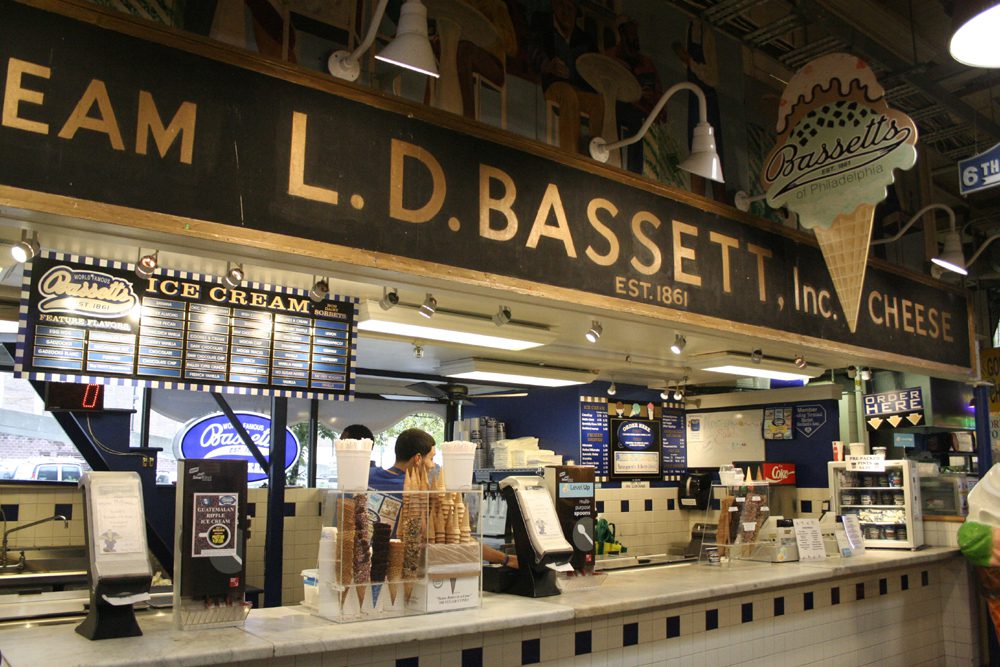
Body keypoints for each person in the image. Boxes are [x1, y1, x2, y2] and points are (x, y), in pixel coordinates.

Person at [368, 428, 516, 567]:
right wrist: (505, 559)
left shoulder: (369, 477)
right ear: (418, 458)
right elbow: (459, 540)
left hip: (368, 563)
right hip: (404, 567)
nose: (433, 466)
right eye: (431, 458)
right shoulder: (422, 493)